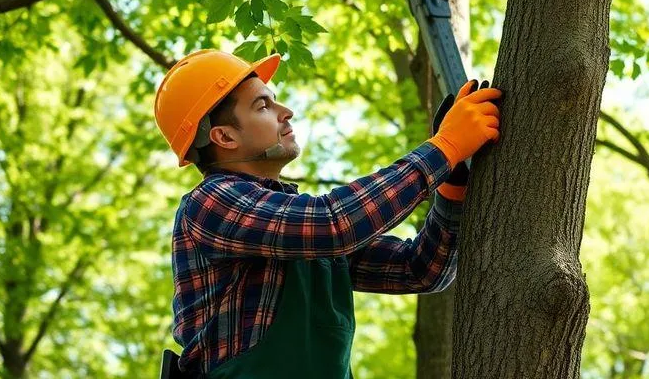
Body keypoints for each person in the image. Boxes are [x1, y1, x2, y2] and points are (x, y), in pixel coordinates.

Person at [152, 49, 501, 378]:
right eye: (263, 106)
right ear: (225, 136)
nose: (285, 111)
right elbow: (335, 223)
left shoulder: (300, 231)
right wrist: (445, 148)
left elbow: (422, 270)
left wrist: (451, 186)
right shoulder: (211, 202)